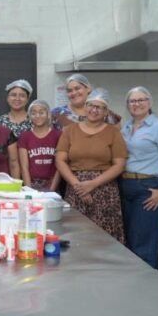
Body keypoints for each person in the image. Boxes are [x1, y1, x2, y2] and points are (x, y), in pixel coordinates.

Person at [56, 88, 127, 243]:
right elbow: (60, 160)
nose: (94, 110)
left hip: (104, 191)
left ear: (106, 111)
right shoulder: (70, 130)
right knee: (76, 237)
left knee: (103, 240)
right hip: (76, 188)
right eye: (91, 105)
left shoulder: (113, 133)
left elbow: (119, 164)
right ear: (85, 106)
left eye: (99, 107)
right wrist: (78, 186)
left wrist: (93, 184)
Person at [119, 87, 158, 269]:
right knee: (130, 244)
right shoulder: (126, 128)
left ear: (149, 103)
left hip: (148, 188)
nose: (136, 104)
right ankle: (135, 289)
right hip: (126, 186)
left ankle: (149, 291)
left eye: (141, 100)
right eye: (132, 101)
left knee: (144, 247)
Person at [18, 100, 61, 191]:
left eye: (41, 112)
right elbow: (24, 167)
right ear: (29, 116)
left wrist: (52, 190)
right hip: (31, 184)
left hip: (52, 184)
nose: (38, 116)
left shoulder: (58, 135)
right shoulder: (25, 136)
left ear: (48, 114)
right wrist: (29, 190)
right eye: (34, 113)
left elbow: (60, 166)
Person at [51, 73, 122, 128]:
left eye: (77, 88)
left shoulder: (102, 113)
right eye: (69, 90)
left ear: (88, 89)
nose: (74, 93)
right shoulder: (57, 114)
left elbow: (116, 133)